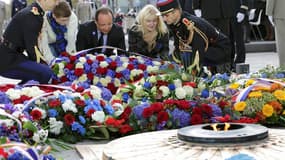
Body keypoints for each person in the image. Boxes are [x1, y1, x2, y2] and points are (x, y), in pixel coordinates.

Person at [157, 0, 231, 74]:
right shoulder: (175, 22)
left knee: (192, 68)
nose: (164, 19)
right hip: (203, 50)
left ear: (176, 12)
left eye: (166, 15)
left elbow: (198, 52)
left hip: (219, 49)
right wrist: (167, 64)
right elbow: (178, 47)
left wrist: (191, 74)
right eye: (162, 16)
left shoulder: (191, 24)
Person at [0, 0, 59, 84]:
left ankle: (22, 90)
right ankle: (23, 93)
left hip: (14, 55)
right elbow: (32, 47)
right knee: (46, 73)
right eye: (55, 0)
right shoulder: (31, 16)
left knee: (40, 71)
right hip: (7, 60)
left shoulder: (36, 13)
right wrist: (44, 65)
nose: (57, 3)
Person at [39, 0, 78, 64]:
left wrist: (69, 58)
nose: (66, 22)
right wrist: (52, 61)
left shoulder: (72, 17)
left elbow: (71, 40)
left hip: (64, 42)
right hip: (50, 44)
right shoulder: (44, 20)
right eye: (63, 20)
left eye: (68, 20)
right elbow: (44, 44)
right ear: (54, 16)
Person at [266, 0, 285, 67]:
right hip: (280, 12)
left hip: (280, 12)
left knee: (282, 42)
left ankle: (283, 66)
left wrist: (269, 12)